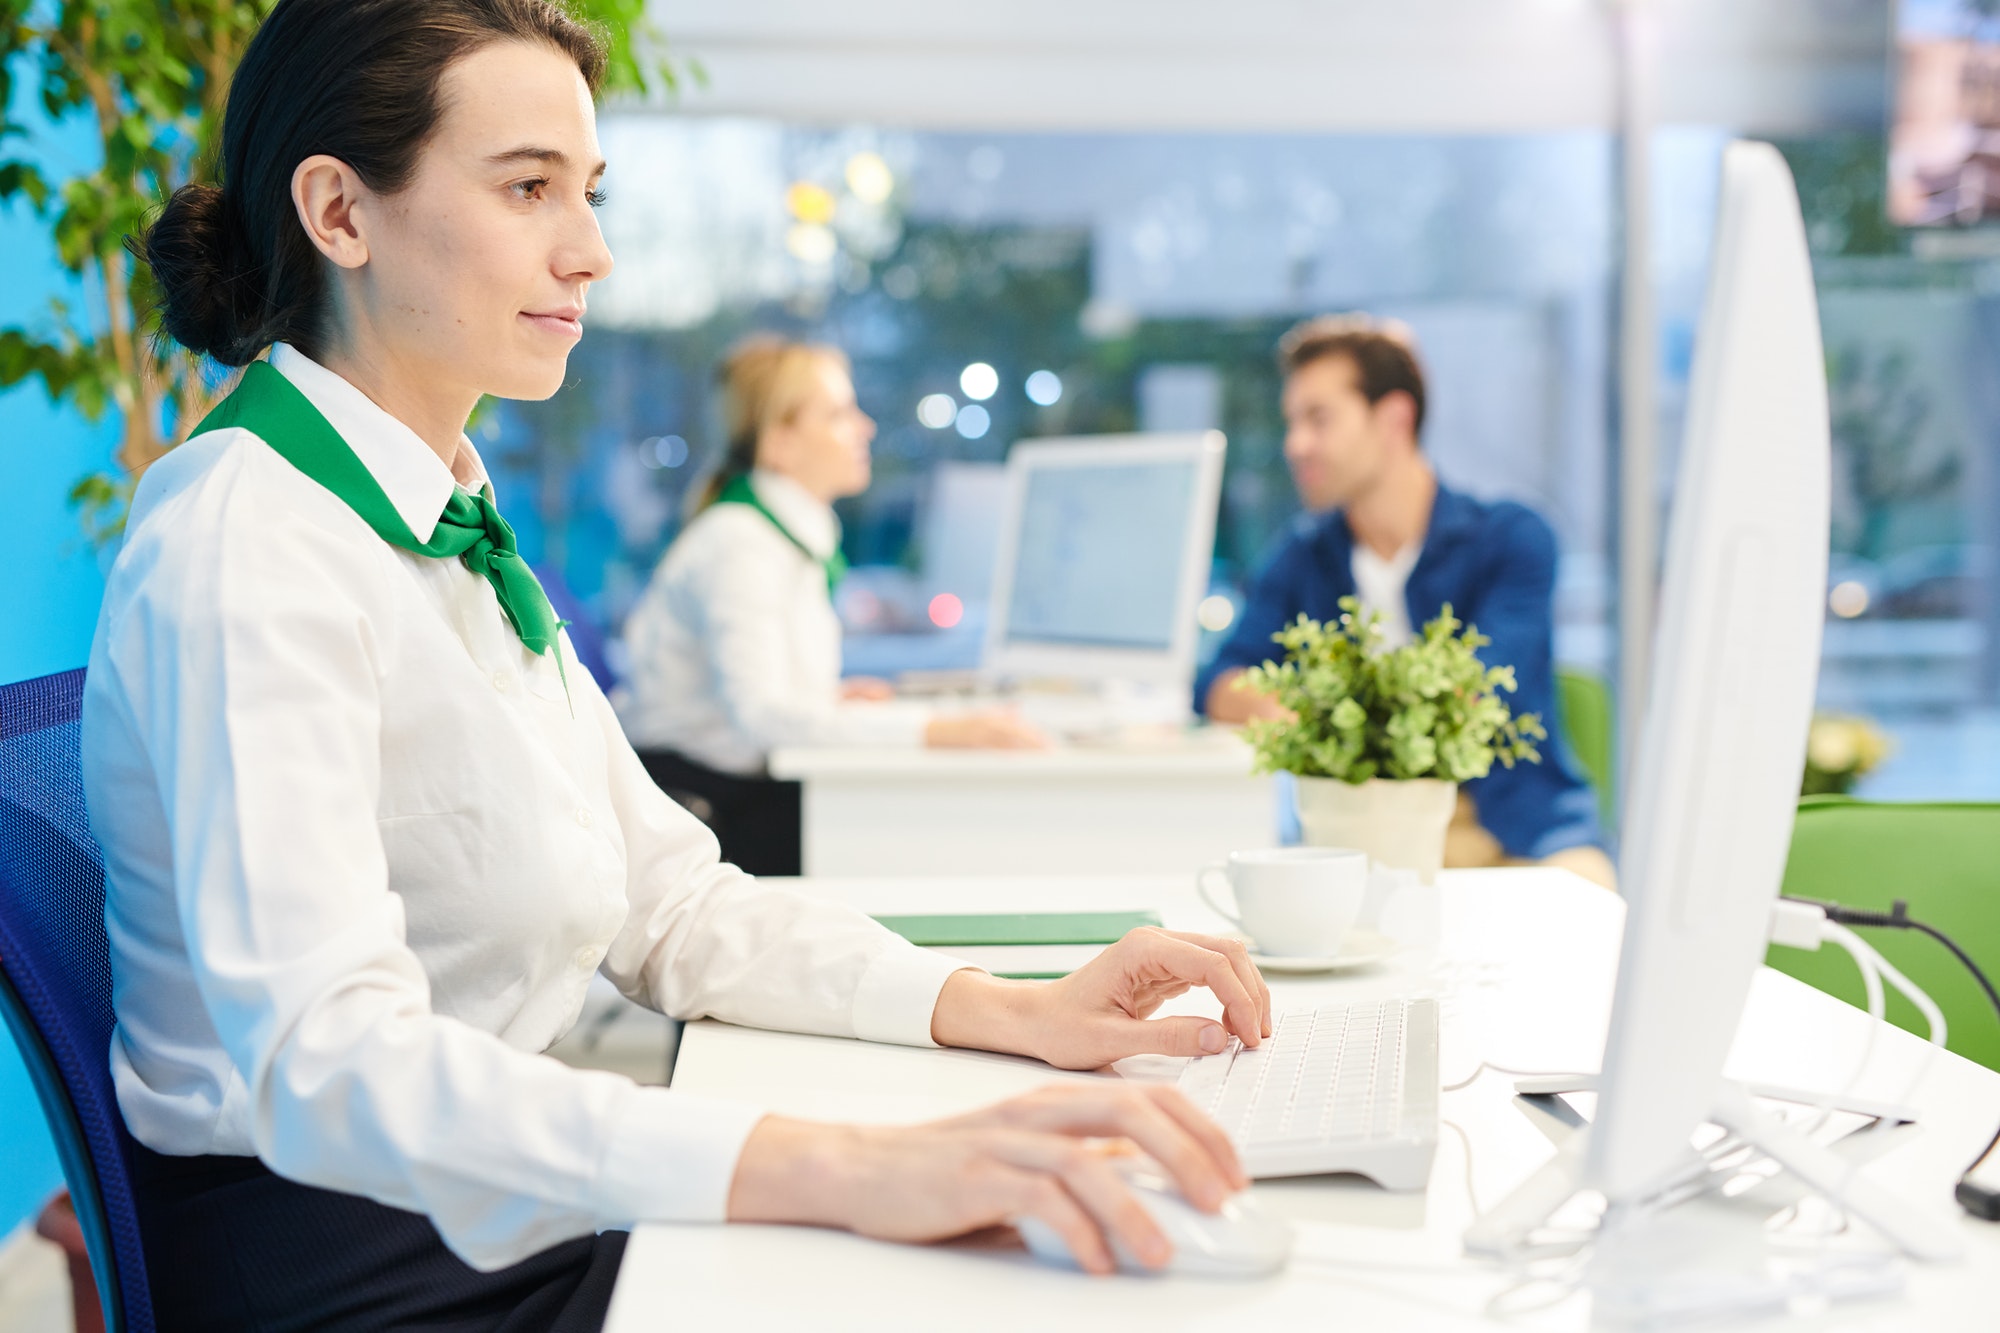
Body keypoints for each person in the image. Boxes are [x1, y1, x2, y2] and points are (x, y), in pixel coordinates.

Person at [85, 3, 1271, 1328]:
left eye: (588, 193)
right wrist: (841, 1164)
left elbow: (675, 907)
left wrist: (1003, 1007)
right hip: (372, 1273)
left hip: (503, 1204)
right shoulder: (251, 544)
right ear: (340, 213)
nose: (589, 251)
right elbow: (329, 1064)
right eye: (528, 186)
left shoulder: (440, 522)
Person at [1198, 314, 1616, 889]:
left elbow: (1478, 690)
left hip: (1513, 833)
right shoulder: (1304, 554)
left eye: (1318, 419)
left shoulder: (1511, 539)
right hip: (1359, 839)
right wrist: (1317, 711)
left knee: (1590, 918)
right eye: (1292, 422)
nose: (1296, 444)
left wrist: (1324, 716)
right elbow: (1220, 681)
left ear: (1394, 417)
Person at [614, 337, 1044, 870]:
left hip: (733, 783)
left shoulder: (782, 537)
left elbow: (758, 698)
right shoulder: (739, 545)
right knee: (926, 837)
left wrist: (825, 698)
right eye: (839, 414)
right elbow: (763, 716)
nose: (865, 428)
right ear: (780, 443)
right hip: (709, 807)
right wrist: (934, 730)